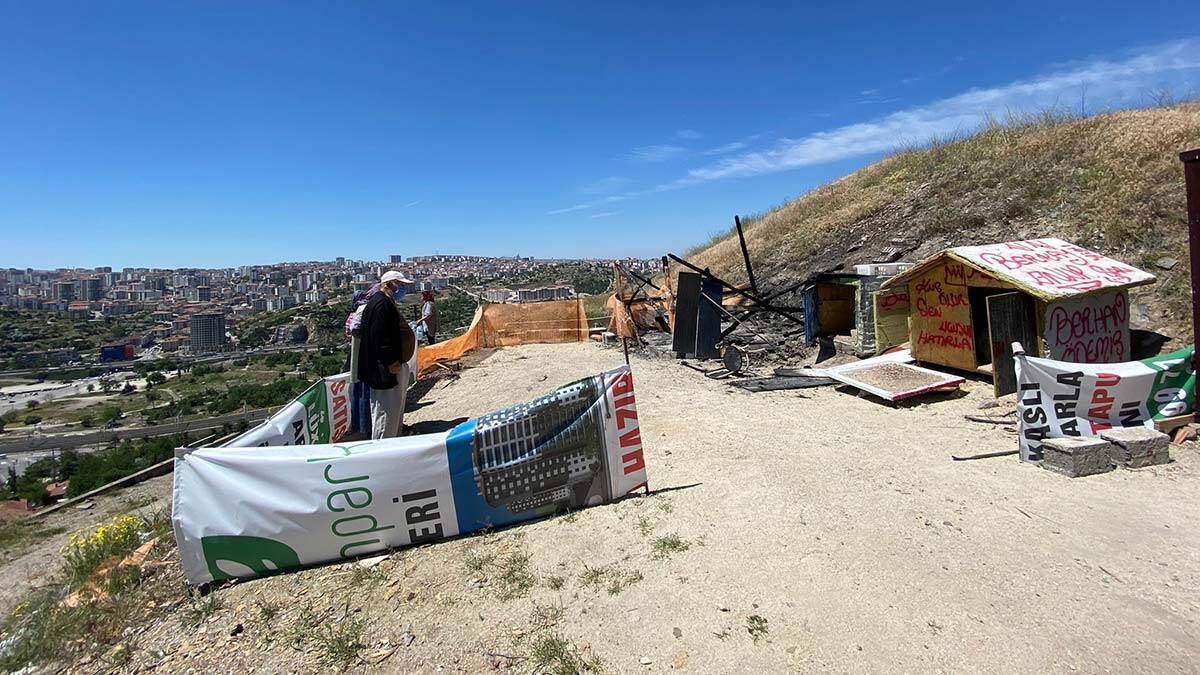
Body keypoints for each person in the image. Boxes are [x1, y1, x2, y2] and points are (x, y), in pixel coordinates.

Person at [359, 271, 416, 439]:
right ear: (389, 284)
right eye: (400, 284)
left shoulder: (383, 302)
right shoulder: (381, 304)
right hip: (385, 371)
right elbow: (380, 336)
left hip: (389, 367)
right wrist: (391, 361)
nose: (402, 288)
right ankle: (382, 449)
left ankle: (392, 445)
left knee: (393, 411)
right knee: (385, 414)